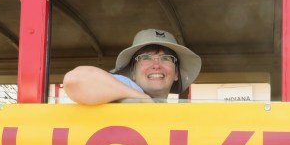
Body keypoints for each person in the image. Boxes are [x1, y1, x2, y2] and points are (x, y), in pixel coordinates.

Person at [63, 28, 201, 104]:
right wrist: (141, 98)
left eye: (166, 58)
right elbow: (73, 80)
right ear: (133, 72)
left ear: (176, 73)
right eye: (146, 58)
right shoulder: (127, 86)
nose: (156, 65)